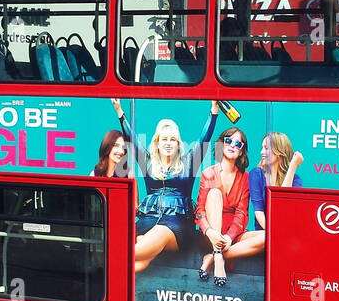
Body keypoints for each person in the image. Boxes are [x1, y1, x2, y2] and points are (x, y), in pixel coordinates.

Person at [113, 98, 219, 273]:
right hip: (148, 220)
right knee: (142, 250)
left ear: (178, 144)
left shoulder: (189, 162)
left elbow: (204, 139)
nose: (168, 143)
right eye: (164, 139)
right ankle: (114, 277)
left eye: (173, 139)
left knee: (157, 233)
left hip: (177, 225)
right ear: (157, 142)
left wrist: (213, 111)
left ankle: (112, 258)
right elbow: (131, 140)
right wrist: (119, 111)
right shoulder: (147, 161)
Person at [228, 132, 304, 261]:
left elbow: (283, 205)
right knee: (269, 237)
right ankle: (215, 257)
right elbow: (258, 213)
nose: (262, 152)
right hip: (264, 233)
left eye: (266, 148)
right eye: (262, 147)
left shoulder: (295, 180)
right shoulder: (256, 174)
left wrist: (292, 168)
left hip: (284, 235)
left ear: (279, 151)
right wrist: (275, 233)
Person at [194, 127, 252, 287]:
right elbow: (199, 211)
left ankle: (212, 256)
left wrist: (229, 237)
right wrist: (210, 231)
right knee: (214, 193)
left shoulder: (246, 178)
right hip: (212, 232)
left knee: (267, 237)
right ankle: (218, 256)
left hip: (232, 234)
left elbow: (241, 213)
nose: (233, 145)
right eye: (228, 141)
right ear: (221, 144)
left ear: (241, 151)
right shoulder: (208, 173)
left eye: (238, 144)